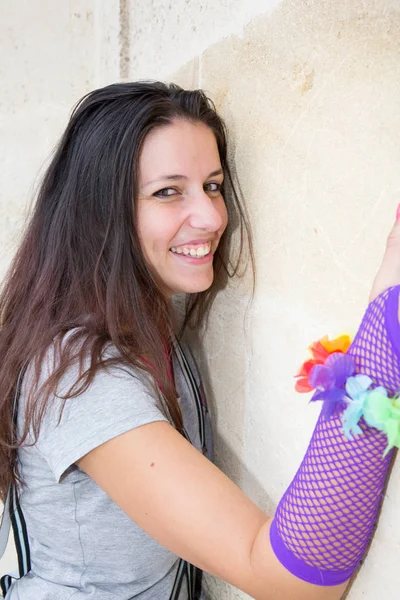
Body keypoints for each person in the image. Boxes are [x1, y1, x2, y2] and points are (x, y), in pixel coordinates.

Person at [0, 81, 398, 600]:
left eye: (213, 185)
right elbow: (293, 582)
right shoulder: (83, 377)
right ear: (99, 213)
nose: (212, 218)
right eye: (168, 191)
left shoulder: (154, 326)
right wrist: (385, 326)